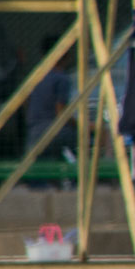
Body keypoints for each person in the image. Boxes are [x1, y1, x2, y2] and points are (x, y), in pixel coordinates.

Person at [25, 34, 78, 184]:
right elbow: (61, 112)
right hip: (54, 130)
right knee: (78, 139)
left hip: (34, 130)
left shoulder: (37, 75)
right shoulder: (62, 78)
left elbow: (27, 103)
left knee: (37, 170)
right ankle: (75, 179)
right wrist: (80, 125)